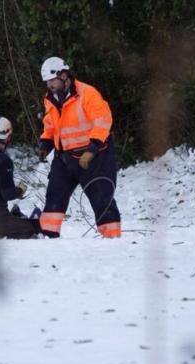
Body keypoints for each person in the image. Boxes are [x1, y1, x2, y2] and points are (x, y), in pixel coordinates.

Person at [36, 56, 121, 238]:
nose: (49, 85)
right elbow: (50, 124)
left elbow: (103, 120)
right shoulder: (49, 99)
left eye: (52, 80)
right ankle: (47, 235)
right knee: (54, 195)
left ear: (64, 75)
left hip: (93, 157)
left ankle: (112, 237)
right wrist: (46, 143)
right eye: (47, 82)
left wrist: (92, 149)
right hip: (64, 157)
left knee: (101, 197)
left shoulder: (87, 94)